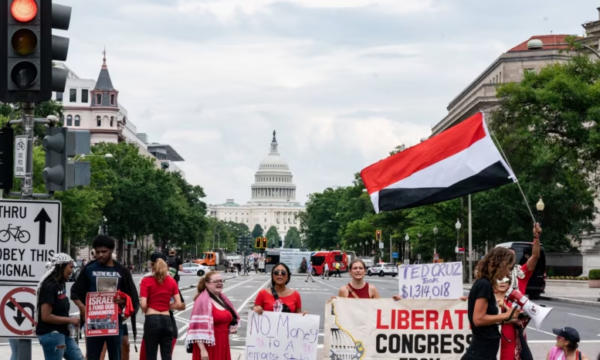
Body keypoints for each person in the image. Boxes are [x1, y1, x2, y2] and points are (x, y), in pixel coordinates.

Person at [71, 235, 140, 360]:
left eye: (104, 252)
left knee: (116, 356)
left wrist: (123, 301)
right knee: (93, 356)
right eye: (97, 252)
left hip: (114, 322)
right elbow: (74, 292)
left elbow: (132, 296)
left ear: (112, 250)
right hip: (93, 322)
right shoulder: (89, 269)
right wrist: (82, 308)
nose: (100, 255)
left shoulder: (121, 271)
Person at [461, 247, 520, 360]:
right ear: (500, 265)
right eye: (508, 268)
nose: (508, 272)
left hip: (484, 352)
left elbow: (487, 319)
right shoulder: (484, 285)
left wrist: (508, 318)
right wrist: (505, 315)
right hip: (481, 353)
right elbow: (478, 319)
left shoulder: (484, 283)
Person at [36, 253, 84, 360]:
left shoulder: (60, 284)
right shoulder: (49, 286)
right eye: (70, 267)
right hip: (52, 335)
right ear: (60, 266)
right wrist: (70, 320)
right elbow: (46, 316)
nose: (72, 271)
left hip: (63, 333)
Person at [187, 271, 239, 360]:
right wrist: (202, 350)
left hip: (223, 343)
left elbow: (226, 319)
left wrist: (231, 327)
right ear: (207, 284)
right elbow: (197, 328)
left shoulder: (223, 299)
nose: (219, 283)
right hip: (208, 346)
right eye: (215, 281)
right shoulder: (202, 301)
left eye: (221, 281)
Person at [140, 252, 183, 360]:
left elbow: (143, 304)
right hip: (167, 319)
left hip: (151, 319)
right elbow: (178, 304)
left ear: (151, 265)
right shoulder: (171, 281)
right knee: (167, 355)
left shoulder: (146, 281)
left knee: (151, 355)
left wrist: (148, 308)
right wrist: (166, 305)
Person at [495, 275, 532, 360]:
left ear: (509, 284)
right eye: (499, 279)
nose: (502, 282)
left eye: (506, 280)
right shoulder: (489, 300)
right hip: (493, 342)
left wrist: (506, 307)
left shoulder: (514, 301)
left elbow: (521, 320)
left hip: (510, 345)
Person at [510, 223, 542, 293]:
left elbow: (535, 256)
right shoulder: (497, 275)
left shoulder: (521, 272)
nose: (510, 258)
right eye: (508, 256)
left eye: (513, 256)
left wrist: (536, 237)